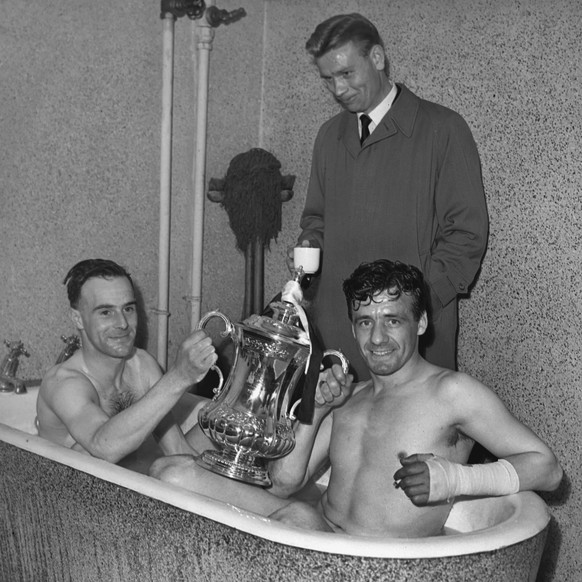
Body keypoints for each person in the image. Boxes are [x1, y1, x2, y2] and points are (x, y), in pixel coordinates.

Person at [268, 259, 562, 537]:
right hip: (319, 546)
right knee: (291, 516)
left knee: (295, 519)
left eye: (392, 321)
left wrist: (454, 479)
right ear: (352, 329)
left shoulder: (451, 392)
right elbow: (281, 484)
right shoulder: (347, 397)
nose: (378, 338)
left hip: (389, 567)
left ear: (420, 323)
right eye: (365, 322)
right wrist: (317, 409)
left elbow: (548, 469)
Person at [289, 13, 489, 380]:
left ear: (378, 58)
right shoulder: (328, 136)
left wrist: (418, 301)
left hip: (413, 338)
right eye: (328, 79)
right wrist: (308, 247)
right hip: (337, 334)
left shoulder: (443, 129)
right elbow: (315, 220)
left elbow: (467, 235)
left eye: (346, 73)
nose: (337, 89)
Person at [36, 258, 218, 474]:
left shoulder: (142, 365)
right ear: (77, 319)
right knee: (84, 451)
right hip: (74, 498)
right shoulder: (63, 383)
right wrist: (179, 377)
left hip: (137, 489)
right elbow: (104, 447)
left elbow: (176, 448)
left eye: (128, 309)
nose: (122, 323)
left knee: (228, 423)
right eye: (106, 312)